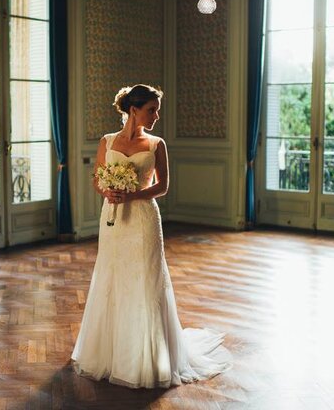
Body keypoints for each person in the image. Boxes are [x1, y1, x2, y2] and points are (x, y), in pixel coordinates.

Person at [71, 84, 232, 388]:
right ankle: (111, 354)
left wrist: (132, 196)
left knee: (146, 280)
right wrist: (107, 191)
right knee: (112, 277)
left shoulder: (157, 144)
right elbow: (97, 178)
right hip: (114, 219)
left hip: (143, 218)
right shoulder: (107, 141)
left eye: (157, 109)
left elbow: (163, 187)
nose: (157, 115)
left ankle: (147, 358)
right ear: (134, 110)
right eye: (152, 109)